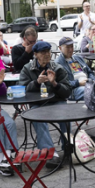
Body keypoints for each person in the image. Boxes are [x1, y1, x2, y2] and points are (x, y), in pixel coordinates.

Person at [18, 41, 72, 169]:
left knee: (66, 115)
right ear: (35, 54)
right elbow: (22, 89)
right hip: (38, 104)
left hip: (56, 102)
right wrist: (36, 83)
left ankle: (69, 148)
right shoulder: (27, 68)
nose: (47, 55)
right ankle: (50, 154)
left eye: (48, 51)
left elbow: (68, 92)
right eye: (43, 52)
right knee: (38, 118)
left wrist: (55, 84)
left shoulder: (57, 68)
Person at [55, 37, 95, 101]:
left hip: (88, 84)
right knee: (90, 92)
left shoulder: (78, 58)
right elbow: (62, 84)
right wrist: (78, 83)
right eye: (68, 47)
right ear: (60, 48)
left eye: (72, 46)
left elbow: (90, 72)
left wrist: (92, 81)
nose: (71, 49)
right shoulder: (58, 63)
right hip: (73, 89)